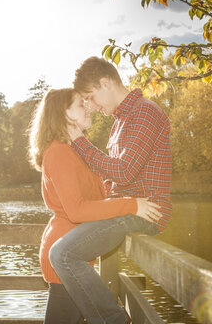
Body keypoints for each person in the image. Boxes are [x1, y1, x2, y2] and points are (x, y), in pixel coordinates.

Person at [48, 57, 172, 324]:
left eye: (91, 98)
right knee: (64, 255)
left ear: (105, 83)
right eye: (85, 102)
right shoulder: (120, 122)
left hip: (145, 212)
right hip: (127, 210)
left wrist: (79, 142)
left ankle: (114, 321)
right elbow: (117, 179)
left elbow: (124, 171)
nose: (92, 107)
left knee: (63, 254)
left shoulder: (144, 112)